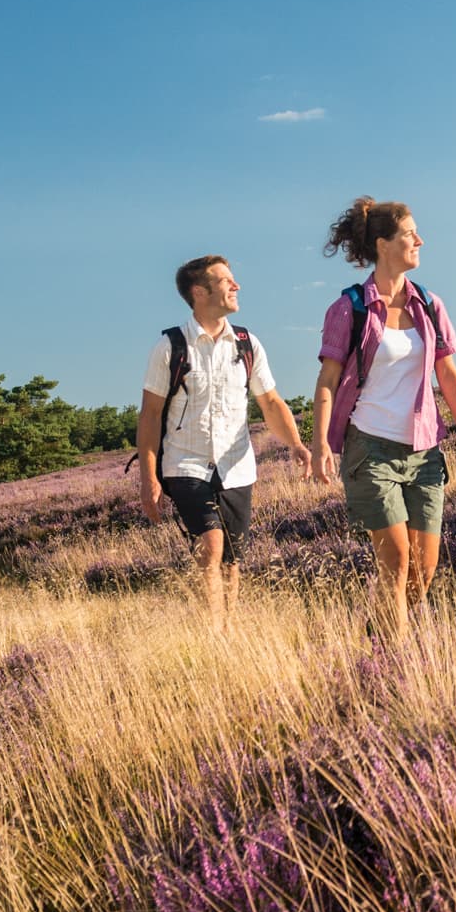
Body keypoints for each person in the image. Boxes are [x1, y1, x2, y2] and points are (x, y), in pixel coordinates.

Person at [308, 198, 456, 635]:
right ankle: (395, 662)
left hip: (424, 451)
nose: (419, 240)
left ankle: (380, 631)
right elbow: (328, 380)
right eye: (410, 233)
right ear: (384, 244)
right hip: (370, 448)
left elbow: (447, 371)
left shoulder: (428, 303)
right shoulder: (349, 307)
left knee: (423, 570)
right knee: (396, 559)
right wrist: (320, 445)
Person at [136, 253, 311, 636]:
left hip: (237, 466)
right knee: (211, 545)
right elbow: (150, 416)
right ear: (200, 292)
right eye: (226, 281)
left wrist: (296, 444)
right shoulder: (170, 347)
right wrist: (148, 477)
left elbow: (271, 402)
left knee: (232, 559)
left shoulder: (247, 344)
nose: (236, 286)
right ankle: (211, 630)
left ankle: (229, 628)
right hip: (185, 464)